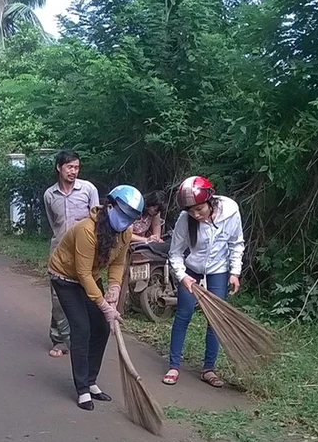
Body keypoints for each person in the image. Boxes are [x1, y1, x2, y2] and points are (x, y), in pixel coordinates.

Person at [48, 185, 144, 410]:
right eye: (123, 214)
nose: (125, 221)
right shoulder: (87, 230)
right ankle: (81, 389)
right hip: (65, 277)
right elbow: (81, 273)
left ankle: (91, 381)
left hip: (90, 276)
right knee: (81, 328)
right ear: (109, 206)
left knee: (101, 328)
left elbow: (118, 262)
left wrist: (114, 289)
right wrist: (104, 305)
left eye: (130, 218)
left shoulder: (125, 232)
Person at [163, 176, 244, 387]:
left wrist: (235, 272)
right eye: (191, 211)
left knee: (215, 319)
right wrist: (183, 277)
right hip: (192, 269)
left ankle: (208, 369)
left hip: (218, 270)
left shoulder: (230, 212)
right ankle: (173, 366)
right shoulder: (185, 220)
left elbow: (236, 243)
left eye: (199, 209)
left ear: (210, 201)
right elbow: (175, 253)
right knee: (184, 314)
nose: (196, 215)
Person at [42, 150, 100, 359]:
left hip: (84, 250)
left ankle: (83, 335)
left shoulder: (88, 189)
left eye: (76, 167)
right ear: (59, 168)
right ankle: (59, 340)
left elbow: (97, 220)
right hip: (59, 250)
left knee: (84, 293)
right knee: (58, 297)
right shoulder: (50, 195)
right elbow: (53, 223)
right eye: (69, 167)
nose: (73, 171)